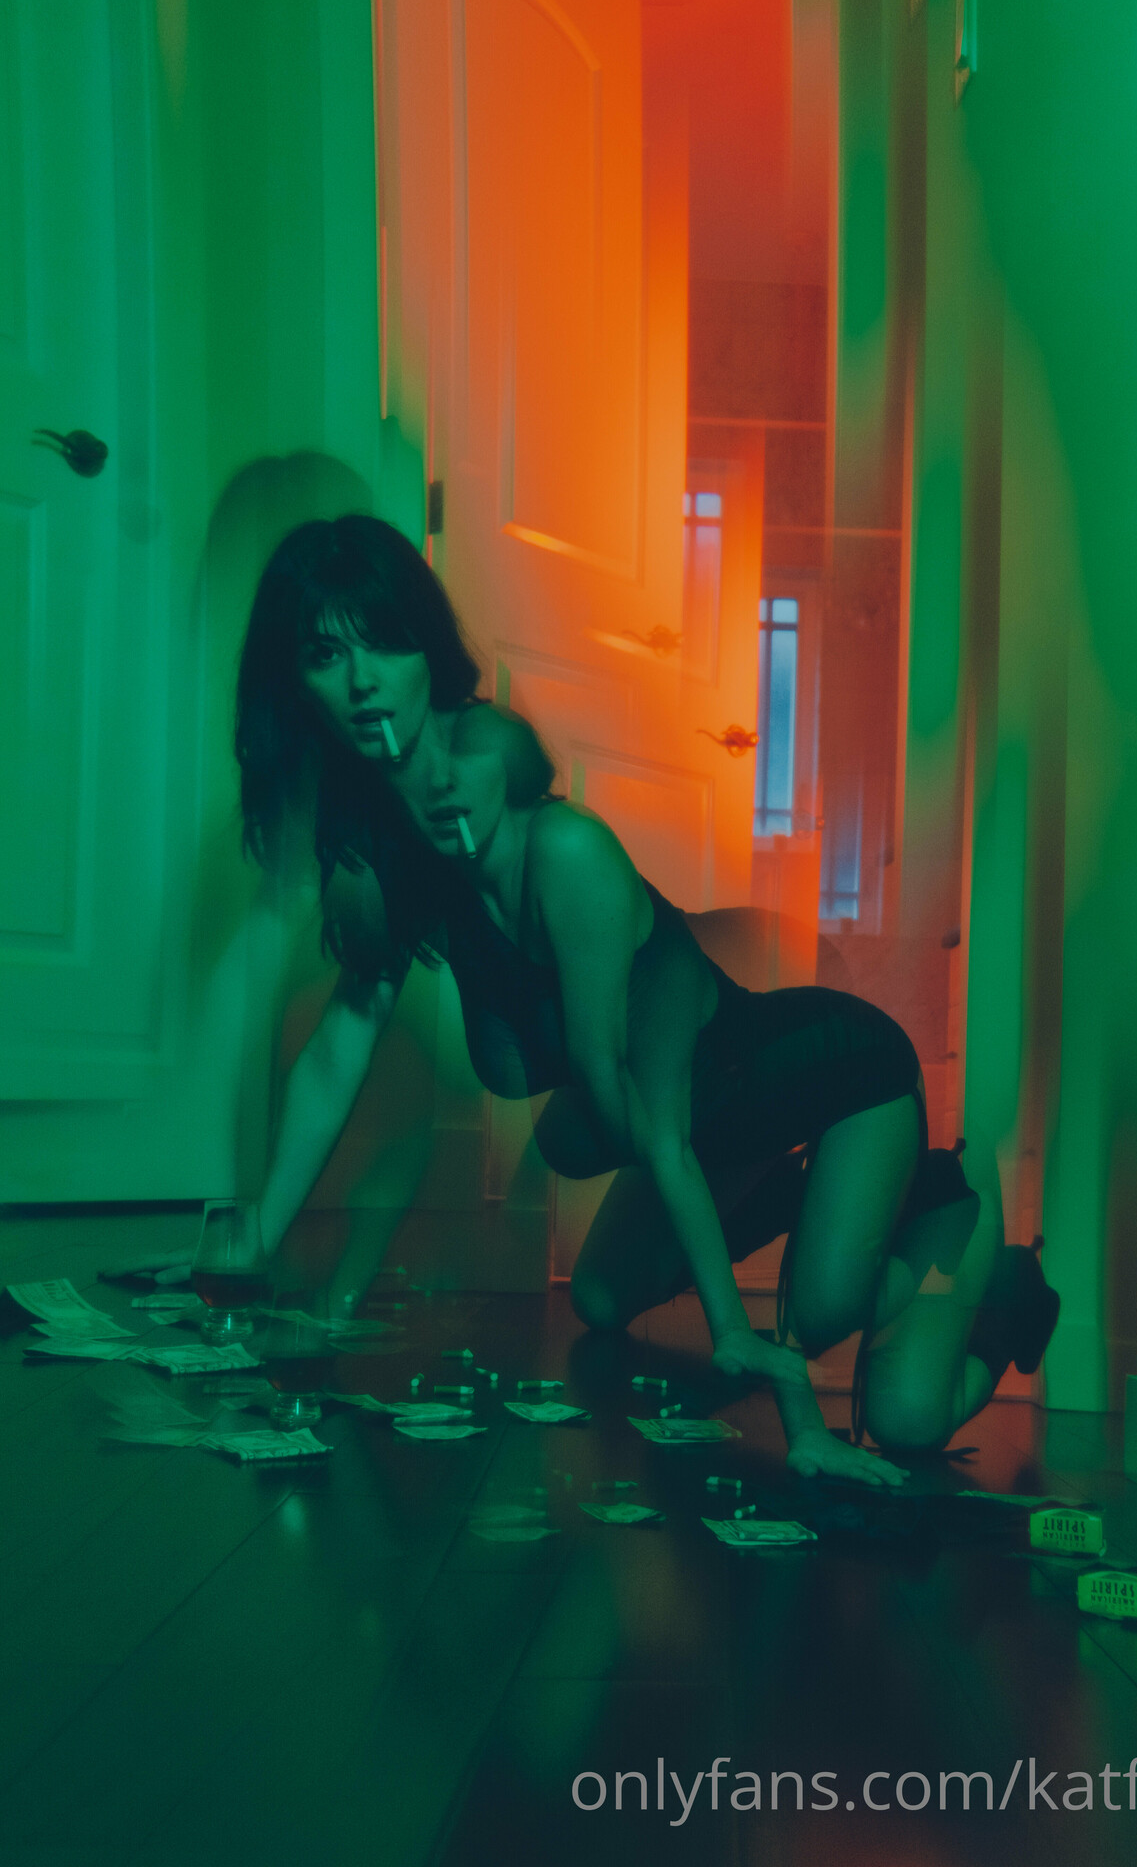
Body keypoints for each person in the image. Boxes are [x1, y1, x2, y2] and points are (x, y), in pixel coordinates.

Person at [234, 515, 1059, 1485]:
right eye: (326, 654)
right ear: (293, 681)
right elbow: (345, 1040)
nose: (362, 680)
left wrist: (771, 1381)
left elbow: (647, 1119)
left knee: (884, 1391)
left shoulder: (560, 851)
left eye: (383, 641)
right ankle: (808, 1196)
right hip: (710, 1117)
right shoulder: (395, 844)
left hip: (838, 1074)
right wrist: (253, 1241)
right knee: (597, 1297)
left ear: (428, 651)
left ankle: (968, 1241)